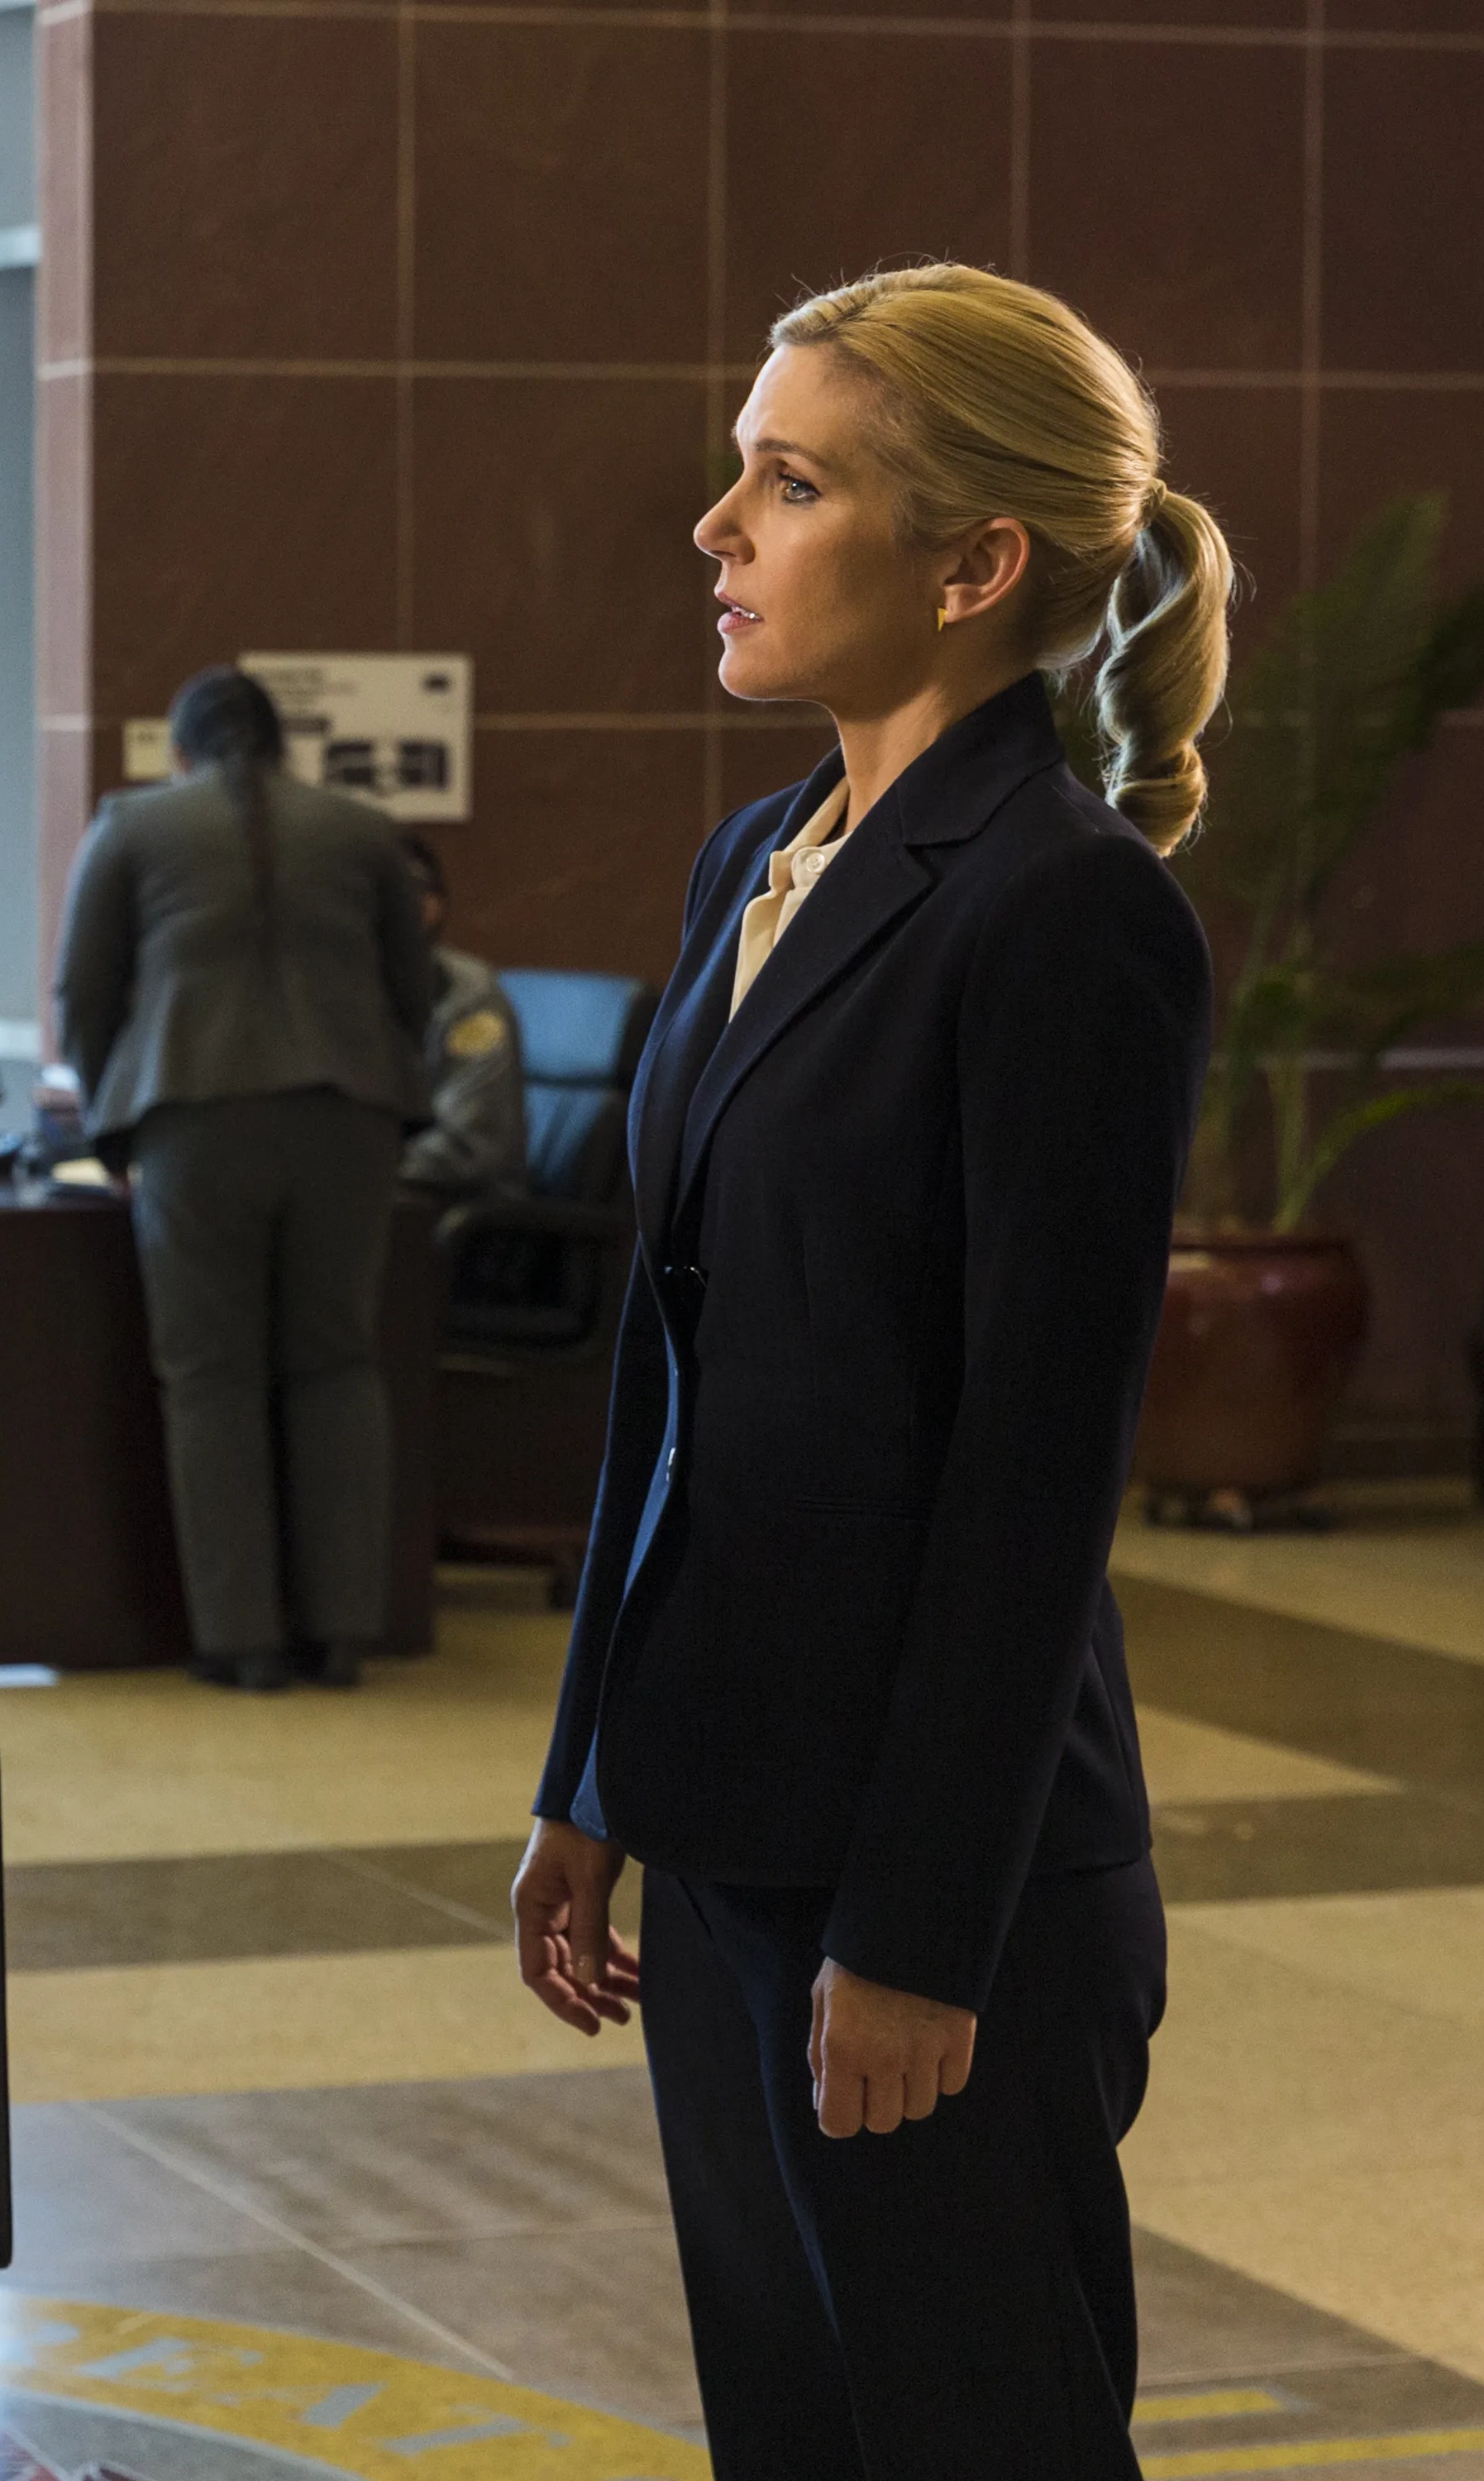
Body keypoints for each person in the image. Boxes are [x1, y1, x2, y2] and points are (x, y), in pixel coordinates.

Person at [504, 263, 1221, 2477]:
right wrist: (589, 1771)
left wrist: (921, 1930)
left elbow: (1030, 1474)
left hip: (930, 1887)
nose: (713, 526)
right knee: (797, 2440)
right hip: (724, 1813)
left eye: (785, 482)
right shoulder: (763, 856)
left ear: (972, 565)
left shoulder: (1059, 908)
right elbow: (671, 1357)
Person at [53, 666, 432, 1693]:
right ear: (282, 746)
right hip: (347, 1118)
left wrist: (110, 1121)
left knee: (210, 1378)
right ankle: (344, 1632)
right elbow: (417, 988)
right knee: (338, 1363)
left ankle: (243, 1642)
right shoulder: (361, 829)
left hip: (193, 1119)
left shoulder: (131, 829)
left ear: (181, 750)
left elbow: (80, 995)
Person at [396, 834, 531, 1201]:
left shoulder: (469, 999)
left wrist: (341, 1174)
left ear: (430, 906)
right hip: (382, 1198)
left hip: (464, 1216)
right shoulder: (338, 993)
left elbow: (470, 1148)